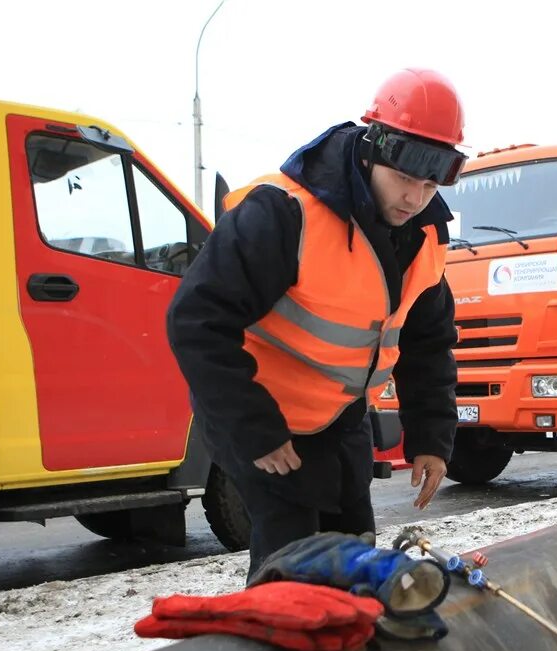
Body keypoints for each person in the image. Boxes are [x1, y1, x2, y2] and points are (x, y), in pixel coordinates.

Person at [167, 68, 467, 580]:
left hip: (340, 418)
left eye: (430, 182)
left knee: (356, 551)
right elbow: (197, 319)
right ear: (374, 147)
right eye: (404, 178)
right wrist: (256, 430)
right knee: (297, 564)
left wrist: (431, 438)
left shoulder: (425, 234)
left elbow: (428, 342)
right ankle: (278, 647)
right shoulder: (284, 212)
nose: (415, 198)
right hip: (262, 415)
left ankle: (351, 647)